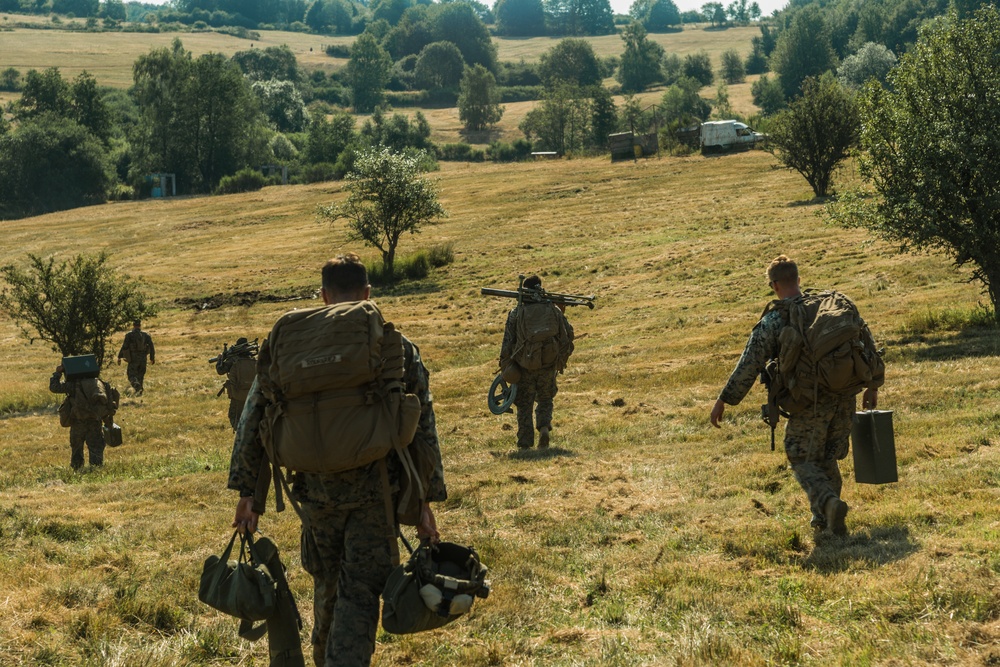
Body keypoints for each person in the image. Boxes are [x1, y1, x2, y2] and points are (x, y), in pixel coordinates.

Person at [227, 253, 447, 667]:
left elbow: (252, 417)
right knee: (361, 591)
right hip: (375, 490)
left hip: (313, 492)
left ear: (324, 295)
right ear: (367, 293)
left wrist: (247, 494)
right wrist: (425, 501)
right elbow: (423, 424)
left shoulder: (289, 344)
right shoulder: (390, 343)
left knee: (327, 585)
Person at [710, 255, 883, 537]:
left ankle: (828, 505)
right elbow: (866, 341)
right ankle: (826, 522)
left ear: (774, 285)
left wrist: (724, 399)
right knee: (826, 456)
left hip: (810, 401)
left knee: (801, 456)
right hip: (844, 396)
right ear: (799, 280)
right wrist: (873, 385)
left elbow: (750, 362)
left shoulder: (776, 319)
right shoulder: (832, 305)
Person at [499, 275, 574, 449]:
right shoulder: (554, 310)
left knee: (524, 404)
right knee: (545, 399)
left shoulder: (516, 313)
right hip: (547, 365)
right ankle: (544, 429)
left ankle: (525, 443)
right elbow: (568, 334)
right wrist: (560, 360)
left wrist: (505, 365)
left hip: (523, 366)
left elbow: (508, 342)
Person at [50, 363, 116, 470]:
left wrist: (58, 373)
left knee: (77, 449)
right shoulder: (100, 384)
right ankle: (96, 471)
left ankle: (77, 471)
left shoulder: (73, 385)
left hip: (78, 422)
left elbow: (54, 387)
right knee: (96, 449)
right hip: (95, 422)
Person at [215, 337, 257, 431]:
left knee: (235, 417)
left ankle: (240, 438)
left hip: (237, 395)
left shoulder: (233, 360)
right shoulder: (253, 360)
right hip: (253, 395)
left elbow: (220, 370)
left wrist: (219, 360)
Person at [117, 319, 155, 395]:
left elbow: (124, 346)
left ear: (133, 325)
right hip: (143, 358)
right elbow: (151, 346)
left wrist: (119, 357)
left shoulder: (129, 335)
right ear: (140, 325)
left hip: (133, 358)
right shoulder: (146, 335)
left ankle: (136, 386)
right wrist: (152, 358)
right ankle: (139, 391)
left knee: (131, 374)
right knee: (140, 375)